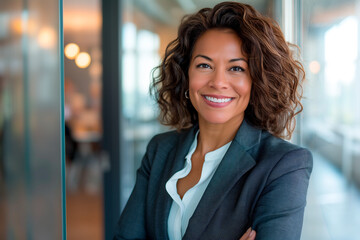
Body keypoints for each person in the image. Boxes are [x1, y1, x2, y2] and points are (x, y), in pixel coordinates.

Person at [114, 2, 312, 240]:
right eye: (204, 65)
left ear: (257, 81)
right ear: (186, 75)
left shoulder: (284, 165)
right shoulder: (160, 150)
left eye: (236, 68)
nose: (218, 82)